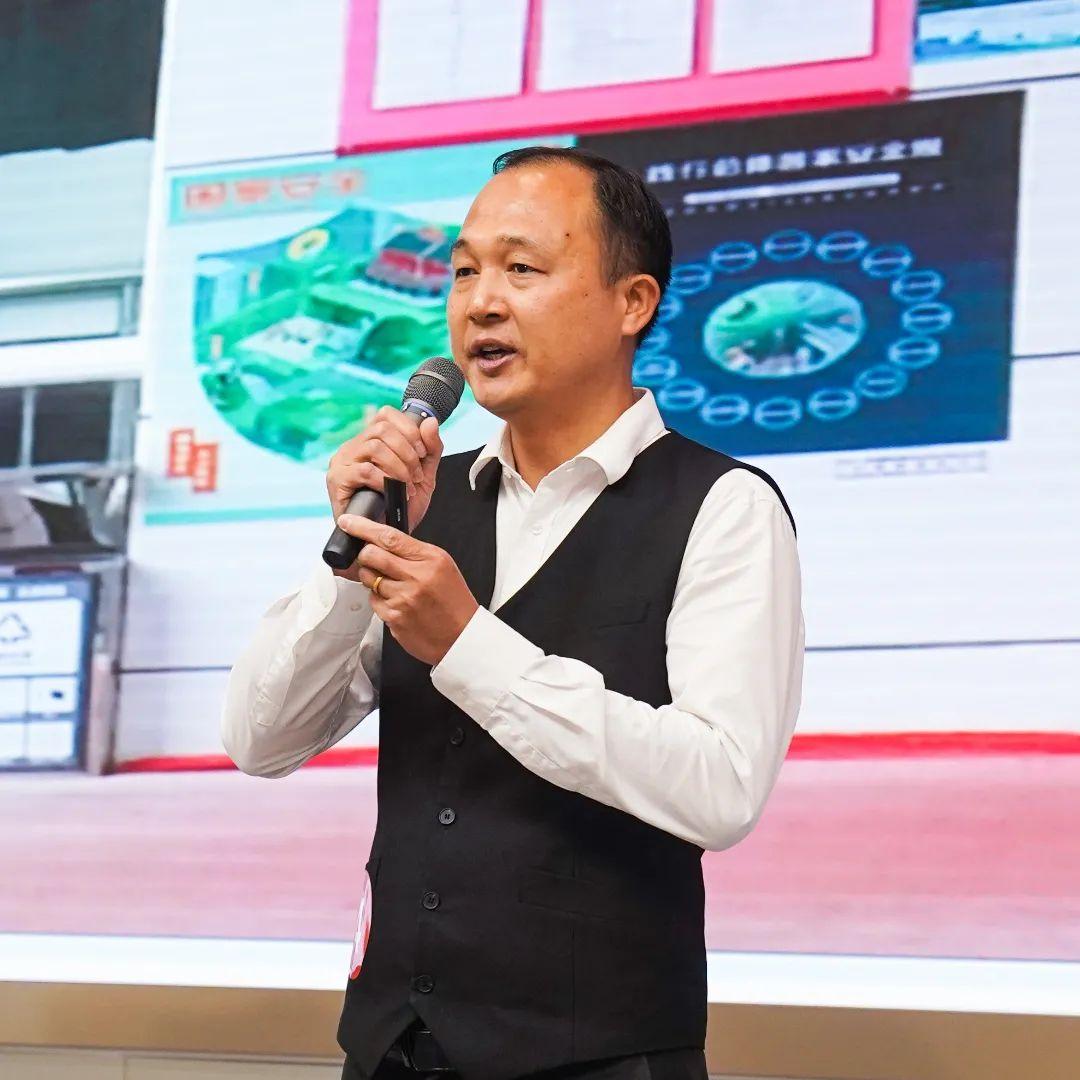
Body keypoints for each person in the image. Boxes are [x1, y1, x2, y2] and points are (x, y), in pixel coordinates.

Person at [221, 146, 804, 1080]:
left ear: (633, 302)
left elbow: (721, 787)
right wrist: (354, 554)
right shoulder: (421, 500)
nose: (481, 303)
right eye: (464, 272)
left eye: (522, 268)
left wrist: (468, 644)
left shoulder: (721, 506)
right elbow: (262, 740)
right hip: (394, 1048)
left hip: (600, 1055)